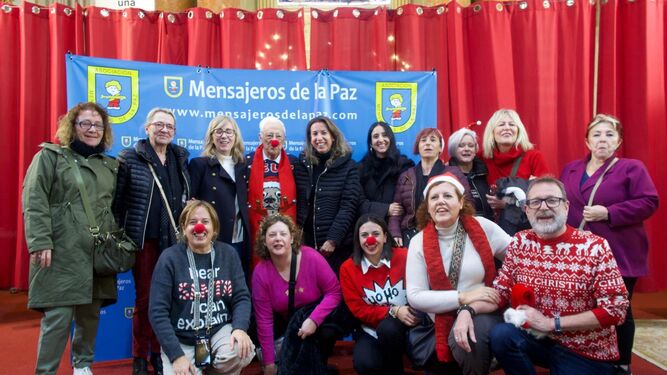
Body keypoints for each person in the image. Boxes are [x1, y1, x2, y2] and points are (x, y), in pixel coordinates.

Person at [490, 176, 630, 375]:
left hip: (586, 350)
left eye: (552, 200)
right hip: (539, 339)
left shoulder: (594, 246)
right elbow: (501, 289)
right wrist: (466, 308)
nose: (544, 207)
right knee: (501, 335)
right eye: (535, 202)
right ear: (526, 209)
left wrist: (551, 324)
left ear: (566, 206)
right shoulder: (520, 241)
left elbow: (616, 310)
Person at [22, 102, 118, 374]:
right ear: (72, 126)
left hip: (97, 253)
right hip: (60, 251)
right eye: (85, 123)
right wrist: (40, 240)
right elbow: (34, 200)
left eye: (98, 125)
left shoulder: (110, 166)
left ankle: (83, 366)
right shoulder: (49, 157)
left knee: (90, 315)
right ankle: (46, 371)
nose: (92, 129)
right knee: (58, 318)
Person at [560, 114, 658, 374]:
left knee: (618, 311)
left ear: (619, 141)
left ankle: (622, 363)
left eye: (609, 134)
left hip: (619, 252)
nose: (603, 139)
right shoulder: (570, 169)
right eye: (597, 134)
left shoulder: (631, 168)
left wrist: (610, 213)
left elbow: (649, 202)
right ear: (587, 140)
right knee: (582, 308)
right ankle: (586, 357)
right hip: (578, 253)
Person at [406, 173, 511, 374]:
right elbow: (415, 296)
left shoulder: (483, 227)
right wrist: (463, 297)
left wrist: (500, 288)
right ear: (427, 207)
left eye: (448, 195)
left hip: (482, 310)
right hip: (440, 317)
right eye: (434, 198)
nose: (441, 201)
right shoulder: (417, 242)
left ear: (461, 201)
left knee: (470, 337)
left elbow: (518, 257)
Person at [114, 108, 191, 375]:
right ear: (147, 128)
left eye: (170, 126)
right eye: (159, 124)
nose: (165, 130)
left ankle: (159, 353)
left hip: (173, 243)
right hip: (144, 241)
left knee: (168, 301)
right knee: (145, 301)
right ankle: (139, 355)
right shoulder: (130, 158)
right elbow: (118, 203)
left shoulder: (180, 158)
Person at [149, 200, 254, 375]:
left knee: (242, 350)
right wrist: (176, 356)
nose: (199, 227)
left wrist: (240, 328)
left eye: (205, 222)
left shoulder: (228, 254)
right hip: (182, 339)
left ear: (214, 227)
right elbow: (157, 312)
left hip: (218, 330)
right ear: (184, 228)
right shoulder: (169, 259)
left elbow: (241, 297)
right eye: (192, 222)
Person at [251, 215, 342, 375]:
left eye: (283, 234)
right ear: (264, 241)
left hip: (316, 317)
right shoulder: (260, 272)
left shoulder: (311, 257)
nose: (278, 239)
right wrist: (269, 364)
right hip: (284, 321)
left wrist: (314, 320)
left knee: (325, 333)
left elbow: (334, 292)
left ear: (292, 238)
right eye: (272, 235)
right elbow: (264, 320)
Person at [340, 215, 417, 375]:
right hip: (371, 329)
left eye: (375, 234)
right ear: (358, 240)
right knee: (364, 364)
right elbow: (358, 309)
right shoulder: (348, 268)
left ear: (385, 236)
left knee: (389, 329)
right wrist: (393, 310)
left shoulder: (404, 256)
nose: (370, 240)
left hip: (406, 324)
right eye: (364, 235)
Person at [294, 115, 361, 273]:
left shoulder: (349, 166)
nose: (319, 138)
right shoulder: (302, 165)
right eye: (314, 134)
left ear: (333, 136)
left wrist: (333, 239)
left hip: (336, 247)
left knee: (335, 291)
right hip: (306, 245)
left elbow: (349, 206)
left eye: (323, 133)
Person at [189, 116, 251, 274]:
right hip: (212, 237)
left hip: (239, 238)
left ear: (236, 136)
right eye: (219, 131)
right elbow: (191, 202)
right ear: (211, 136)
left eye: (229, 132)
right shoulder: (199, 165)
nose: (224, 136)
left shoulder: (243, 166)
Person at [389, 128, 469, 248]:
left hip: (446, 233)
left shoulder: (454, 173)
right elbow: (396, 211)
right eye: (423, 140)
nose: (428, 143)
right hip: (411, 234)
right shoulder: (406, 176)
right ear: (418, 147)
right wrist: (394, 232)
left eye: (433, 140)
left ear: (440, 148)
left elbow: (468, 203)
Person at [481, 109, 550, 234]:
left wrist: (508, 205)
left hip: (524, 231)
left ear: (518, 131)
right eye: (501, 124)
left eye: (512, 124)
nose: (507, 128)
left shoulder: (533, 157)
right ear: (492, 131)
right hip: (489, 231)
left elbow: (547, 196)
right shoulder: (482, 158)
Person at [246, 116, 298, 268]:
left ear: (284, 139)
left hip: (286, 226)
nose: (274, 140)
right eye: (269, 135)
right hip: (257, 226)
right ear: (260, 137)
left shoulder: (295, 163)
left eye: (278, 136)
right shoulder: (246, 162)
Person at [357, 121, 414, 221]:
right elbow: (358, 203)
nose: (380, 139)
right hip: (368, 224)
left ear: (390, 139)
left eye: (384, 135)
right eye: (375, 136)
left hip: (397, 224)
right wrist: (386, 209)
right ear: (370, 143)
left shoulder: (404, 165)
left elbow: (406, 201)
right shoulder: (360, 168)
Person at [447, 127, 494, 220]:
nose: (466, 149)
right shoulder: (447, 175)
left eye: (471, 145)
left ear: (476, 149)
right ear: (453, 149)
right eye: (461, 146)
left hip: (487, 227)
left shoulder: (485, 173)